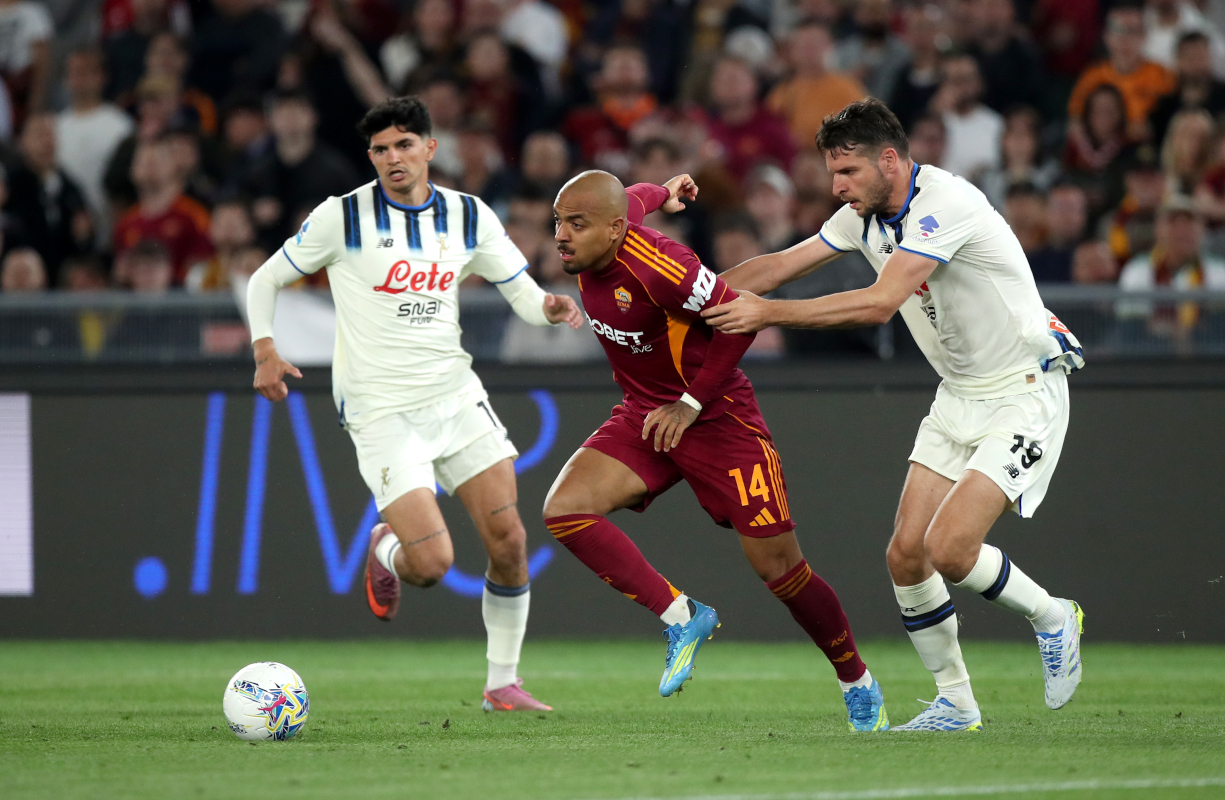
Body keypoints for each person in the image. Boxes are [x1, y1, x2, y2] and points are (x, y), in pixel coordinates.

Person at [703, 99, 1086, 731]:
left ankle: (1052, 616)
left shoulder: (946, 203)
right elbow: (776, 266)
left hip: (1023, 388)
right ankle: (956, 702)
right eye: (833, 173)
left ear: (889, 160)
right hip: (958, 393)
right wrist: (687, 295)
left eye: (847, 171)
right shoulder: (864, 215)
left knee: (950, 547)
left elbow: (882, 302)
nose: (836, 186)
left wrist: (767, 314)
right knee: (907, 556)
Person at [245, 96, 582, 713]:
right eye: (380, 149)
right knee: (430, 565)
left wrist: (550, 308)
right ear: (371, 157)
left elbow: (522, 292)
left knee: (509, 540)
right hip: (381, 411)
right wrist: (265, 349)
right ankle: (385, 548)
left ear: (429, 148)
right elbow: (264, 278)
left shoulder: (468, 214)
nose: (393, 158)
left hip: (454, 396)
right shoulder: (342, 218)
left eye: (404, 145)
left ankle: (501, 684)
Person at [540, 170, 889, 731]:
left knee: (780, 569)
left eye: (575, 224)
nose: (561, 235)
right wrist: (666, 190)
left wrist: (689, 405)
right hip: (647, 413)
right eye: (558, 222)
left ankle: (857, 681)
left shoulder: (662, 266)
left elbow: (739, 323)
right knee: (565, 509)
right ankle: (683, 616)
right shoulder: (606, 225)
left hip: (718, 416)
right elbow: (635, 198)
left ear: (614, 230)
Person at [55, 48, 135, 245]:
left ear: (102, 77)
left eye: (88, 72)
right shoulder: (56, 126)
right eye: (75, 72)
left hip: (111, 222)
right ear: (66, 79)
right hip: (68, 228)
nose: (81, 79)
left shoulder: (120, 125)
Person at [1068, 5, 1176, 142]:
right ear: (1106, 35)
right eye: (1117, 30)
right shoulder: (1091, 76)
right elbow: (1075, 121)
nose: (1124, 38)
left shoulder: (1162, 75)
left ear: (1144, 36)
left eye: (1132, 31)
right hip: (1104, 146)